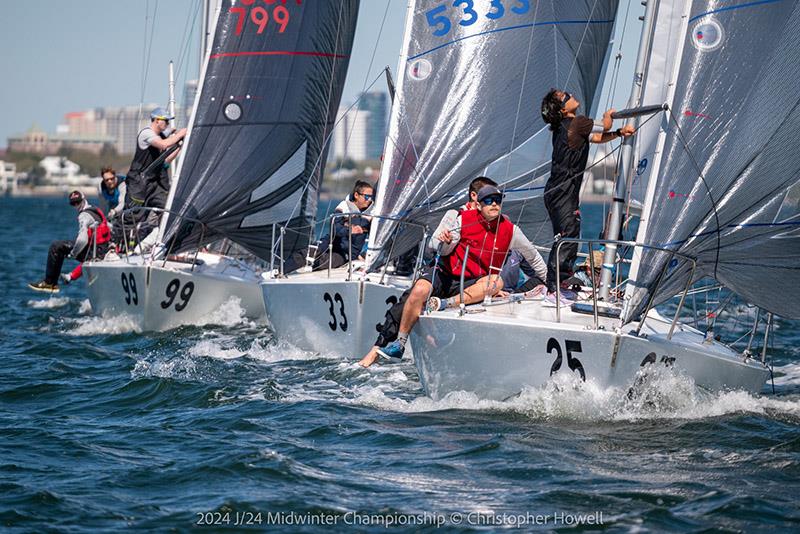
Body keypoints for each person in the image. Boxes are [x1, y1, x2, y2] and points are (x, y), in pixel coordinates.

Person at [358, 184, 547, 367]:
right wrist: (446, 242)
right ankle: (399, 344)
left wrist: (553, 282)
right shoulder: (463, 219)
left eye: (498, 200)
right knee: (418, 291)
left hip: (472, 282)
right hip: (446, 274)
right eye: (489, 200)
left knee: (496, 281)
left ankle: (445, 304)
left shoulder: (511, 230)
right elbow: (442, 250)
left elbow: (534, 258)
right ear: (478, 204)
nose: (494, 204)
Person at [540, 89, 634, 300]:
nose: (570, 94)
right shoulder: (577, 122)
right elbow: (605, 125)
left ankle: (557, 283)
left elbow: (599, 137)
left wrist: (619, 134)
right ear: (563, 109)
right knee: (568, 236)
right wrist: (608, 116)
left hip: (559, 192)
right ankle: (555, 288)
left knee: (568, 235)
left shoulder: (571, 127)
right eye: (565, 96)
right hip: (562, 193)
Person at [123, 107, 186, 248]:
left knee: (168, 208)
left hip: (152, 183)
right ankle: (118, 247)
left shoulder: (160, 137)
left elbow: (165, 159)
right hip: (138, 182)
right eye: (166, 121)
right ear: (157, 120)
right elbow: (164, 144)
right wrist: (180, 133)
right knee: (133, 216)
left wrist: (180, 145)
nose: (168, 125)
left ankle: (162, 245)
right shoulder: (147, 134)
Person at [282, 181, 374, 274]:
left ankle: (309, 268)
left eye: (371, 197)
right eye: (367, 197)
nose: (369, 200)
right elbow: (335, 229)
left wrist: (363, 256)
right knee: (308, 253)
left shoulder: (372, 215)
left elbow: (378, 239)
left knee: (325, 262)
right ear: (356, 195)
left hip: (344, 254)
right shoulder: (344, 207)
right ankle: (280, 271)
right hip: (329, 243)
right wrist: (350, 230)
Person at [28, 191, 111, 293]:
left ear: (83, 199)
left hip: (95, 253)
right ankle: (53, 283)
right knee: (65, 246)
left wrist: (73, 254)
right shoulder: (96, 210)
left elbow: (82, 240)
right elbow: (109, 227)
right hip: (104, 250)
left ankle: (49, 283)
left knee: (56, 247)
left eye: (78, 202)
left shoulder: (83, 216)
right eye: (73, 204)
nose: (76, 206)